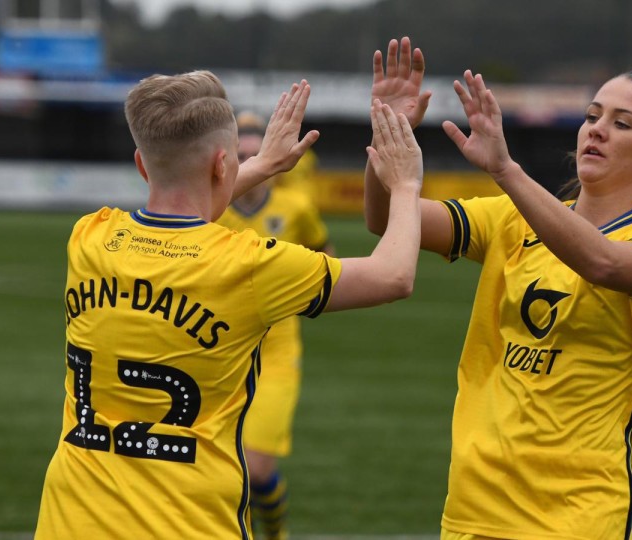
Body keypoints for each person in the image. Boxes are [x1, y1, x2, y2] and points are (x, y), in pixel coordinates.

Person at [35, 70, 424, 539]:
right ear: (224, 165)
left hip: (68, 522)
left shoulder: (90, 236)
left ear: (141, 164)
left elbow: (188, 204)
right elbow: (393, 275)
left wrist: (261, 164)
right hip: (186, 526)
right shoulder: (249, 266)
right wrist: (405, 184)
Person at [364, 38, 632, 539]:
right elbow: (384, 219)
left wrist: (505, 169)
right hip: (475, 506)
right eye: (592, 116)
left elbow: (602, 262)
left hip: (576, 515)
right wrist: (386, 136)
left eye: (622, 124)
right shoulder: (508, 219)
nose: (597, 129)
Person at [215, 111, 334, 540]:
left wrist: (299, 286)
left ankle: (276, 533)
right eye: (240, 156)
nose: (248, 163)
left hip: (276, 353)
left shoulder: (295, 208)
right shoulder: (211, 210)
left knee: (257, 468)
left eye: (255, 155)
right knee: (223, 471)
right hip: (220, 353)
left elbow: (324, 253)